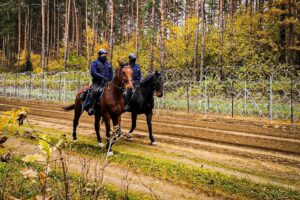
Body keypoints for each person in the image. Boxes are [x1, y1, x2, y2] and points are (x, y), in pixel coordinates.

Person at [82, 49, 113, 116]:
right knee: (95, 91)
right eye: (103, 54)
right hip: (98, 83)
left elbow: (111, 73)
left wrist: (111, 80)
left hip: (107, 83)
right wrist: (102, 77)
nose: (104, 56)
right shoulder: (95, 63)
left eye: (105, 54)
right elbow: (93, 72)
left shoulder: (108, 64)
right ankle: (91, 107)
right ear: (100, 55)